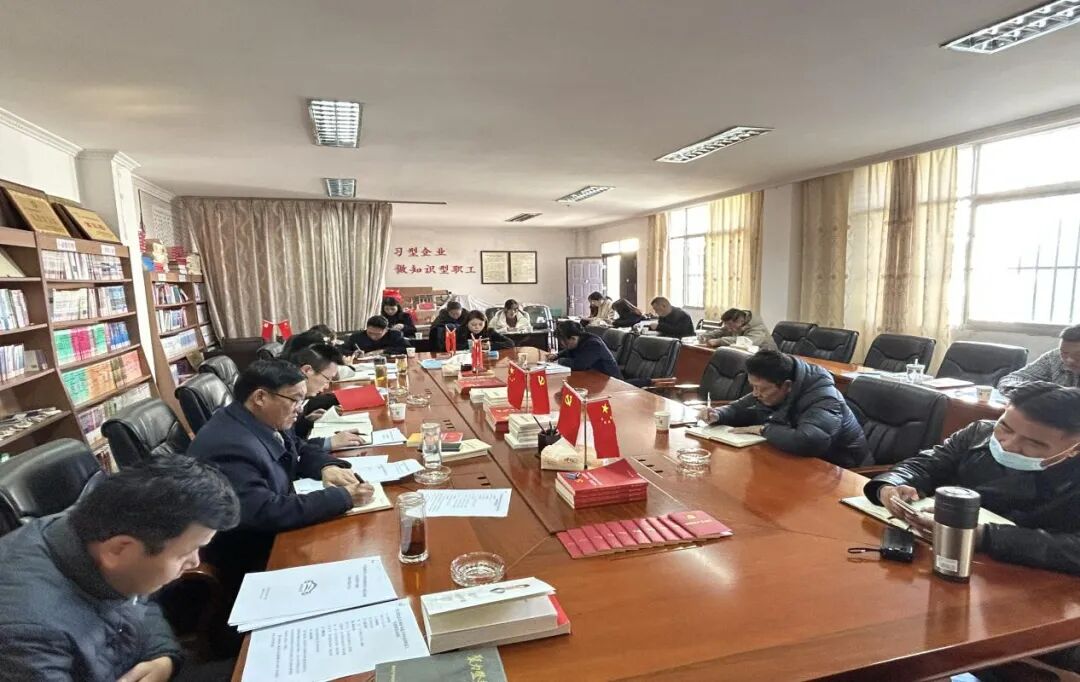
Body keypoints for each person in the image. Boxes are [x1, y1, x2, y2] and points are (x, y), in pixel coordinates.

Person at [0, 456, 240, 681]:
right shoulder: (25, 633)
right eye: (185, 553)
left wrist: (163, 658)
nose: (195, 562)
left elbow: (141, 602)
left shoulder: (101, 532)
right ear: (117, 550)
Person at [867, 382, 1080, 578]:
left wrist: (984, 536)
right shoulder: (980, 432)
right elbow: (926, 464)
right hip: (943, 557)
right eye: (1005, 428)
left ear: (1074, 448)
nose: (1008, 445)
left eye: (1034, 443)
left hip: (1029, 579)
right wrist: (890, 486)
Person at [187, 360, 374, 578]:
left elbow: (297, 448)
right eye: (295, 400)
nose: (300, 409)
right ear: (260, 397)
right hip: (255, 553)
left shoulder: (262, 418)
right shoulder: (228, 446)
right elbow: (266, 512)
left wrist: (326, 467)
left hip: (280, 527)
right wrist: (343, 497)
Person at [706, 349, 870, 468]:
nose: (755, 393)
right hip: (798, 461)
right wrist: (718, 414)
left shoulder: (824, 398)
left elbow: (809, 441)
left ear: (787, 385)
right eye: (752, 387)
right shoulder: (774, 386)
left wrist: (763, 430)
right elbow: (740, 408)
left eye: (760, 389)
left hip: (842, 469)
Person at [290, 344, 359, 442]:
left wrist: (305, 423)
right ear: (307, 370)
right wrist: (329, 442)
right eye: (327, 379)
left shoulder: (297, 396)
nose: (327, 386)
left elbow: (291, 435)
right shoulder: (283, 399)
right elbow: (289, 447)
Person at [997, 325, 1080, 395]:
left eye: (1078, 355)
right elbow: (1011, 379)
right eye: (1064, 353)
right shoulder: (1054, 357)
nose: (1069, 360)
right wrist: (1031, 390)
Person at [549, 320, 622, 379]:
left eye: (564, 342)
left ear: (573, 338)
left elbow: (578, 365)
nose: (562, 345)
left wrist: (558, 361)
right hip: (592, 377)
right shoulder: (579, 341)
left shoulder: (594, 344)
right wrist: (557, 355)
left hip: (610, 380)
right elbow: (568, 350)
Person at [703, 308, 777, 350]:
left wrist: (719, 341)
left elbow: (747, 342)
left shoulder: (757, 327)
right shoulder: (737, 322)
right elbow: (722, 331)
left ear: (740, 321)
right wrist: (705, 336)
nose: (728, 328)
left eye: (730, 325)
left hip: (769, 360)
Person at [449, 310, 514, 351]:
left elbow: (510, 343)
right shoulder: (460, 331)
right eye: (473, 324)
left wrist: (489, 346)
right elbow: (451, 346)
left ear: (485, 323)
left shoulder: (489, 331)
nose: (477, 327)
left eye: (481, 324)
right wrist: (473, 345)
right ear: (467, 323)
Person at [345, 315, 410, 355]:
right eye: (370, 333)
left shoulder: (394, 335)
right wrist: (353, 353)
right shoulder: (356, 337)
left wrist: (383, 351)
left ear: (386, 330)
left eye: (378, 334)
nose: (373, 336)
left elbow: (408, 349)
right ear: (366, 328)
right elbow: (342, 350)